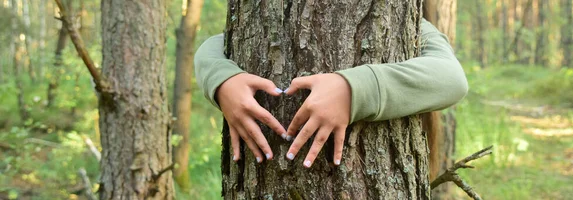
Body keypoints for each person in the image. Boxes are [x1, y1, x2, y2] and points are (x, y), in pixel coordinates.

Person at [194, 18, 468, 168]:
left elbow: (452, 79)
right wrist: (222, 81)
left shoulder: (409, 20)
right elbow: (217, 43)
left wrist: (353, 90)